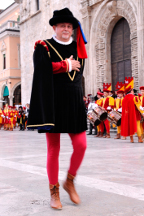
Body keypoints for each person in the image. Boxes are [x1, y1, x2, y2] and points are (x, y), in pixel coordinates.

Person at [27, 8, 87, 210]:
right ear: (55, 27)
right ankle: (54, 192)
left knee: (81, 145)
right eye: (63, 26)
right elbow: (41, 68)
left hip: (74, 103)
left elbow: (80, 76)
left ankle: (69, 181)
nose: (66, 29)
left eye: (70, 26)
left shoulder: (79, 47)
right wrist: (65, 65)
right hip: (53, 104)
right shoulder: (43, 46)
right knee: (54, 149)